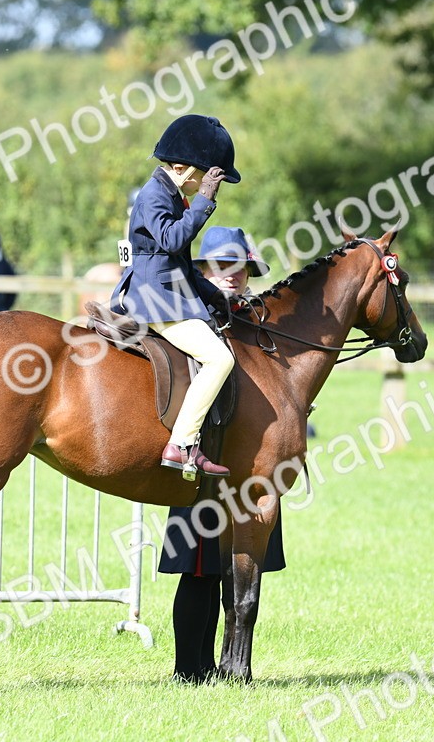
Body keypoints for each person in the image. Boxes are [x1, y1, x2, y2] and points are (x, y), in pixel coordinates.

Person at [157, 225, 285, 683]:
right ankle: (190, 669)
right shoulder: (191, 318)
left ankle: (229, 666)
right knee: (197, 572)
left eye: (242, 267)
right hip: (202, 460)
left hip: (249, 462)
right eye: (222, 266)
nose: (233, 275)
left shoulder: (257, 322)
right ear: (203, 269)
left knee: (240, 573)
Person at [110, 114, 239, 477]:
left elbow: (181, 264)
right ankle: (181, 443)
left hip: (172, 292)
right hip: (155, 298)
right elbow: (172, 241)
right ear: (183, 168)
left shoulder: (172, 195)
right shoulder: (154, 196)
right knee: (218, 359)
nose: (212, 187)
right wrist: (203, 202)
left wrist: (217, 297)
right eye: (209, 178)